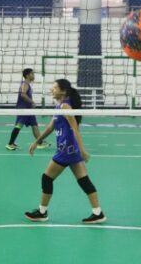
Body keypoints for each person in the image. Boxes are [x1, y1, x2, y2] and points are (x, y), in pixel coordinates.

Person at [24, 79, 104, 224]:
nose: (51, 89)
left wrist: (83, 151)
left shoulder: (66, 106)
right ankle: (98, 213)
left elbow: (75, 129)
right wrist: (37, 141)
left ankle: (42, 212)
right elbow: (50, 128)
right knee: (84, 181)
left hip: (66, 150)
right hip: (71, 150)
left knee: (47, 178)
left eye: (54, 87)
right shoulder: (58, 106)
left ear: (63, 91)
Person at [6, 68, 46, 151]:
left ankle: (40, 143)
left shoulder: (28, 84)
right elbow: (23, 95)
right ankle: (10, 144)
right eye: (32, 73)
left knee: (34, 125)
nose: (34, 75)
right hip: (23, 109)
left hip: (29, 110)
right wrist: (32, 102)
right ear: (27, 75)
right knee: (19, 125)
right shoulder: (25, 84)